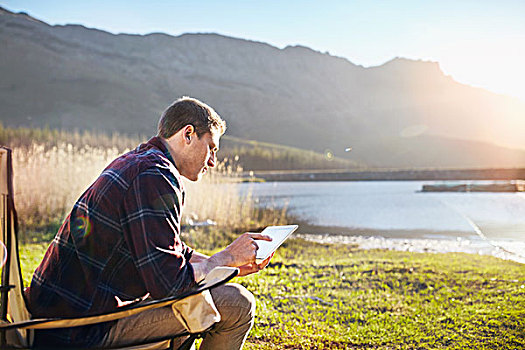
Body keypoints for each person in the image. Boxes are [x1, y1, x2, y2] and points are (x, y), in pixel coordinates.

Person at [26, 97, 273, 349]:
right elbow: (169, 285)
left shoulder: (141, 162)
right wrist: (223, 259)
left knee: (201, 302)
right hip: (80, 328)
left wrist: (223, 268)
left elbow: (167, 251)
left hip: (63, 312)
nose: (212, 161)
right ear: (188, 134)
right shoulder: (154, 176)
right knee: (237, 303)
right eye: (211, 148)